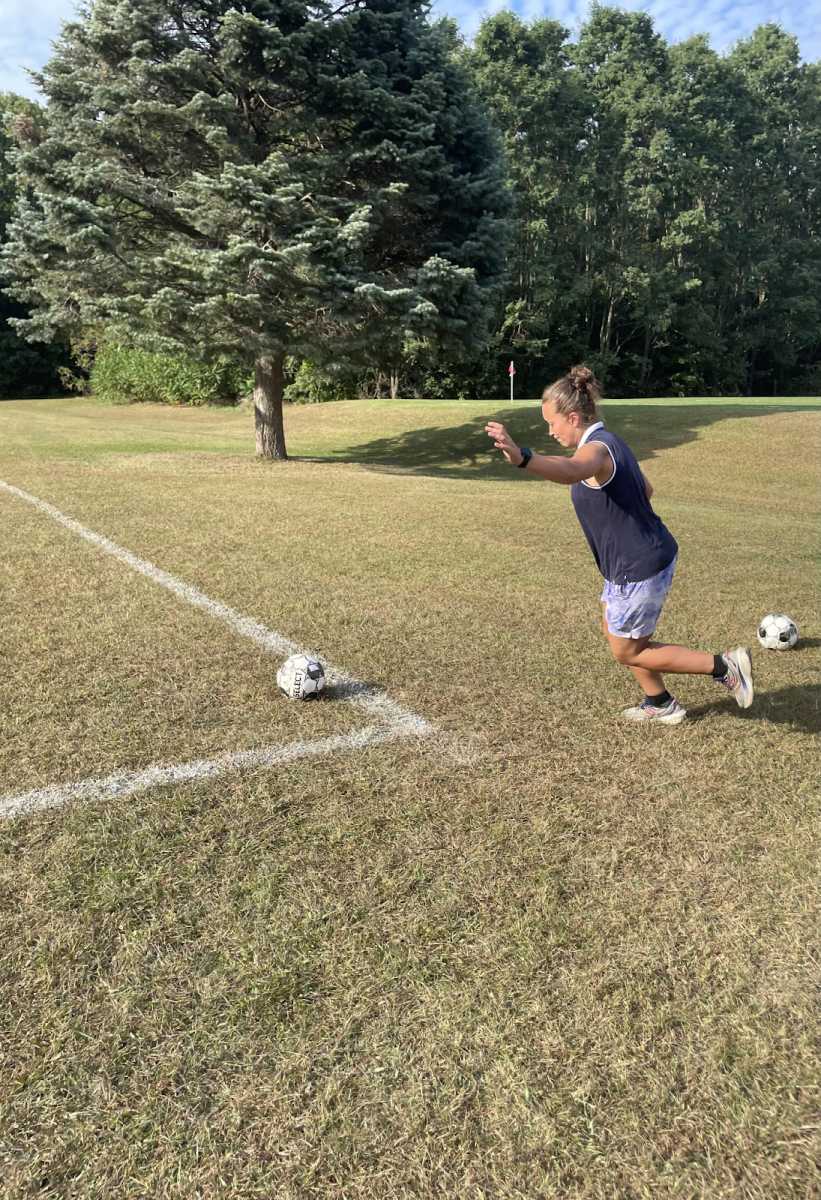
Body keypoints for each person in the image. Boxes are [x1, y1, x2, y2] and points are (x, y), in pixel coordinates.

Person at [485, 365, 754, 724]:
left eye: (552, 423)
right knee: (621, 636)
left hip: (637, 565)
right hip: (638, 558)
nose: (549, 431)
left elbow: (571, 471)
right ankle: (659, 703)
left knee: (627, 650)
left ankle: (724, 666)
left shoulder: (594, 451)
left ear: (574, 417)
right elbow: (646, 489)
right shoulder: (613, 442)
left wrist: (523, 458)